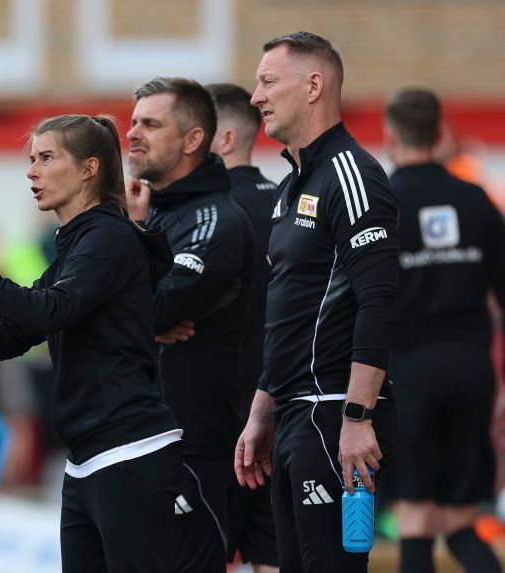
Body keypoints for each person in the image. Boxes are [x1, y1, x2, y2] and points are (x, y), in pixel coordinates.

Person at [0, 114, 182, 572]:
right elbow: (31, 323)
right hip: (85, 457)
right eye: (31, 159)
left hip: (129, 450)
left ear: (88, 169)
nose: (31, 171)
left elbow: (52, 309)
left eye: (46, 157)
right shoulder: (77, 241)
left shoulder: (108, 237)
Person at [235, 31, 400, 573]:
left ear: (313, 85)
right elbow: (289, 312)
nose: (256, 96)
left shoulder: (352, 176)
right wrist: (263, 410)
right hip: (292, 416)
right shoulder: (291, 188)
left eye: (267, 82)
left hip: (333, 414)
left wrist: (357, 415)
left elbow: (380, 300)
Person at [125, 76, 254, 572]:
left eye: (151, 124)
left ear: (193, 139)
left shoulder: (214, 220)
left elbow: (150, 310)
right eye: (134, 121)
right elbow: (78, 305)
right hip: (138, 439)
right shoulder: (144, 210)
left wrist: (140, 317)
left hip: (196, 448)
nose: (134, 133)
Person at [382, 87, 505, 573]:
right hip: (471, 372)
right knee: (458, 522)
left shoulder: (380, 203)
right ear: (439, 135)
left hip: (407, 375)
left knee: (414, 520)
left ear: (389, 135)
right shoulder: (475, 198)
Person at [206, 82, 279, 573]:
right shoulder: (291, 203)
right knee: (274, 554)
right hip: (284, 411)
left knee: (205, 554)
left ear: (227, 139)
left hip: (214, 418)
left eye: (196, 134)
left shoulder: (203, 214)